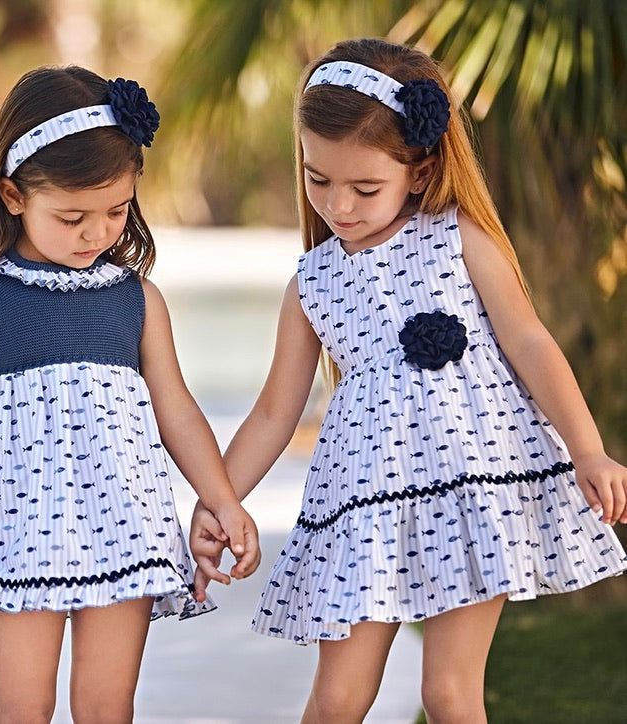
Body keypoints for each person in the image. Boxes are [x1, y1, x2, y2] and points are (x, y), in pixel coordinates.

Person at [190, 37, 627, 723]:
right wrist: (218, 500)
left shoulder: (460, 240)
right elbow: (276, 412)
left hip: (471, 491)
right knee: (337, 700)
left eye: (365, 187)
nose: (338, 205)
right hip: (364, 508)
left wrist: (587, 446)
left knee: (449, 695)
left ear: (420, 172)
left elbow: (530, 343)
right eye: (317, 179)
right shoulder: (312, 284)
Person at [0, 65, 260, 724]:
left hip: (125, 531)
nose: (97, 232)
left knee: (107, 710)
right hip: (16, 539)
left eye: (116, 211)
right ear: (14, 196)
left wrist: (222, 499)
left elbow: (177, 410)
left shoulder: (137, 301)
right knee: (19, 709)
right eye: (73, 216)